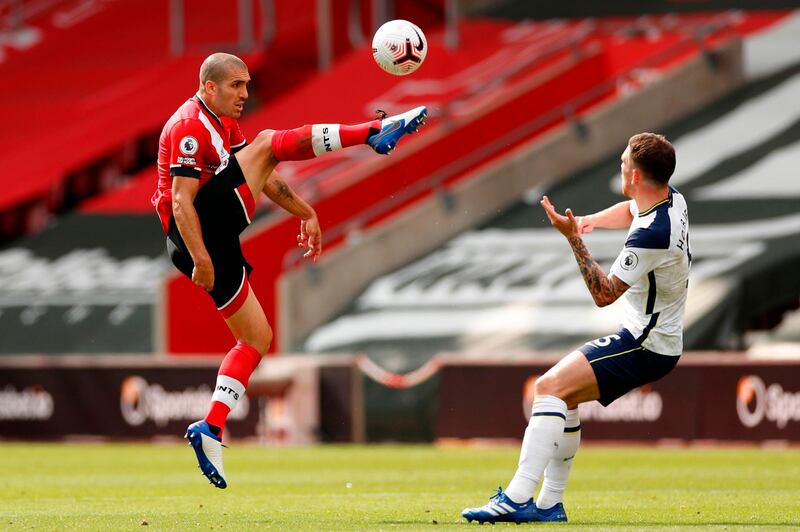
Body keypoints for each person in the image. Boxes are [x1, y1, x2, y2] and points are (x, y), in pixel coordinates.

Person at [151, 52, 428, 489]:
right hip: (198, 235)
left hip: (212, 239)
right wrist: (201, 259)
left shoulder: (222, 123)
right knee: (267, 141)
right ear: (209, 88)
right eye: (236, 85)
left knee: (256, 338)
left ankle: (211, 427)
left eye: (246, 85)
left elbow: (263, 174)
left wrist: (305, 210)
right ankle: (374, 131)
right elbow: (182, 201)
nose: (245, 93)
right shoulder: (189, 126)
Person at [462, 133, 690, 524]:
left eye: (622, 163)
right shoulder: (672, 200)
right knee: (562, 397)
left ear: (635, 175)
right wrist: (587, 223)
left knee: (548, 388)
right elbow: (631, 210)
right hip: (654, 337)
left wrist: (573, 242)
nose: (620, 167)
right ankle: (549, 504)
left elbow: (604, 294)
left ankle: (518, 497)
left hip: (646, 343)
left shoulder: (652, 234)